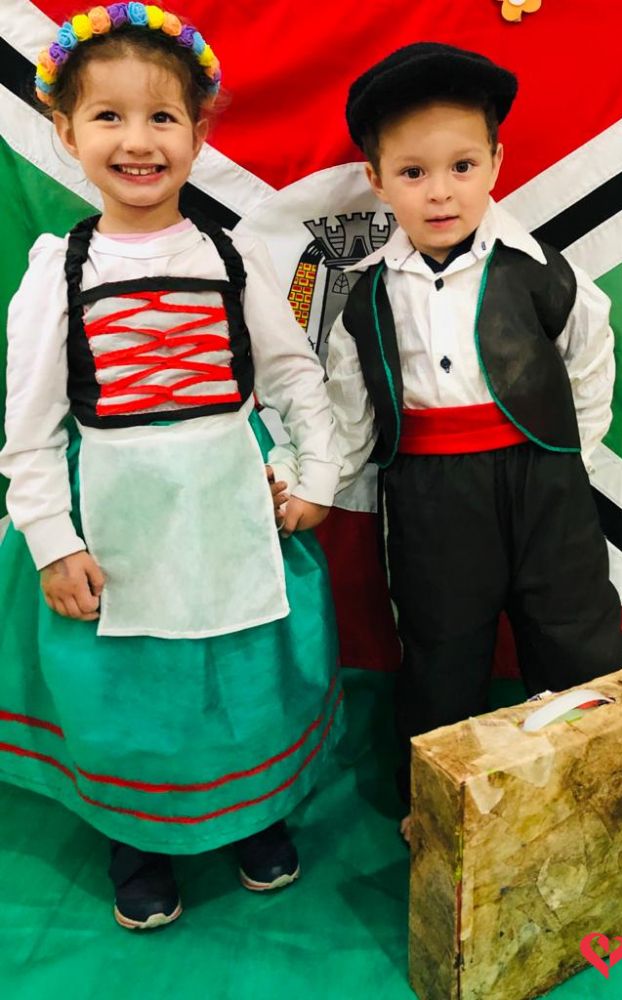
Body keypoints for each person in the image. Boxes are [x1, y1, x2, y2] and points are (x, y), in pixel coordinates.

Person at [0, 4, 342, 929]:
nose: (138, 140)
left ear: (198, 133)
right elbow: (29, 427)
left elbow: (292, 373)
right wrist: (51, 540)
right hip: (119, 516)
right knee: (130, 688)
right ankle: (138, 837)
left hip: (230, 503)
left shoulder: (233, 256)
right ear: (65, 131)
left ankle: (256, 814)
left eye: (162, 116)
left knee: (246, 672)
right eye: (108, 116)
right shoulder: (57, 270)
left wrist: (316, 476)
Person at [326, 43, 622, 839]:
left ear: (496, 162)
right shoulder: (365, 296)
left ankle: (605, 791)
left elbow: (589, 356)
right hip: (431, 494)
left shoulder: (542, 271)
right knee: (441, 649)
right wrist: (326, 484)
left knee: (576, 632)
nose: (440, 192)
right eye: (413, 172)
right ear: (377, 180)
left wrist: (568, 459)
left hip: (544, 480)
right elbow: (350, 408)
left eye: (462, 166)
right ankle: (439, 809)